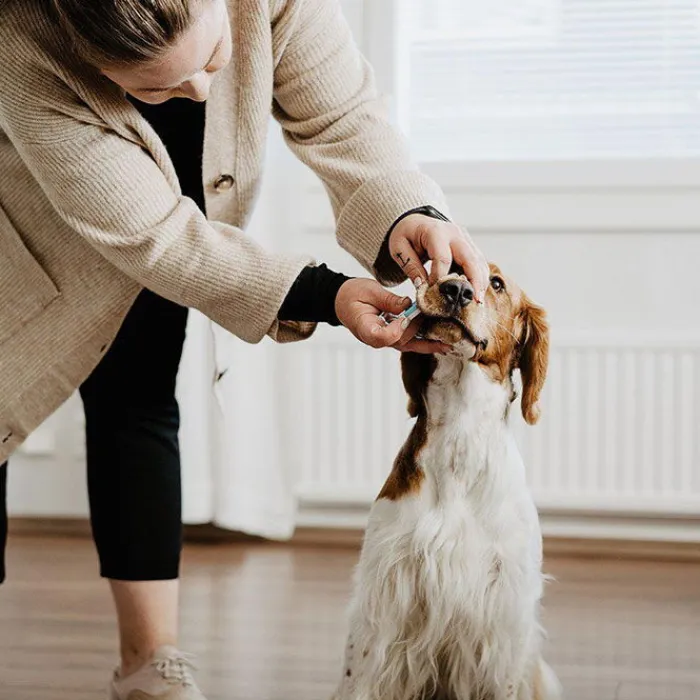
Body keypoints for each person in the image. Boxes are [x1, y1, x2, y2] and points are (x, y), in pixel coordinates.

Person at [0, 0, 489, 697]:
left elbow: (340, 115)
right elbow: (159, 237)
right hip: (23, 246)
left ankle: (149, 662)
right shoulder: (23, 41)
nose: (201, 92)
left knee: (139, 405)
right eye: (158, 87)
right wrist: (323, 294)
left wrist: (408, 210)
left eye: (210, 58)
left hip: (175, 239)